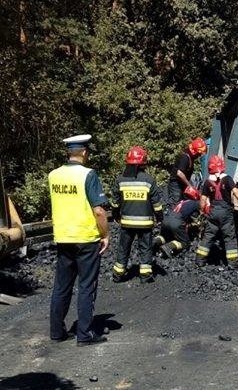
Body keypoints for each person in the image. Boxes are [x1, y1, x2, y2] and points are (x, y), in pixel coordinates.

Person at [48, 134, 109, 346]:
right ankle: (85, 334)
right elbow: (99, 211)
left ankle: (56, 332)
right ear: (84, 152)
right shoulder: (88, 175)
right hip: (86, 238)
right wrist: (106, 235)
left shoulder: (53, 175)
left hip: (63, 238)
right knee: (86, 286)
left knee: (61, 287)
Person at [111, 146, 163, 283]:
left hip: (126, 223)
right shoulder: (149, 180)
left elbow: (115, 203)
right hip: (145, 223)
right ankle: (145, 276)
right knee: (145, 248)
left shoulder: (120, 180)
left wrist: (116, 216)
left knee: (123, 248)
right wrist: (159, 218)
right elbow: (157, 204)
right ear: (143, 163)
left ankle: (118, 274)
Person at [195, 155, 238, 266]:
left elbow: (203, 199)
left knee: (208, 236)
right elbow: (236, 192)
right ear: (222, 166)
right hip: (226, 212)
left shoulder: (207, 182)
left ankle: (200, 260)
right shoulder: (227, 179)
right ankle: (232, 263)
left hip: (213, 212)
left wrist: (202, 211)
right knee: (229, 237)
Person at [154, 189, 201, 257]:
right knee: (185, 243)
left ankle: (154, 242)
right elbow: (195, 217)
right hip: (176, 223)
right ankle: (169, 247)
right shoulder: (195, 203)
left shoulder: (181, 202)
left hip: (165, 220)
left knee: (165, 237)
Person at [166, 137, 207, 208]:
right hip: (176, 184)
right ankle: (172, 217)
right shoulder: (185, 157)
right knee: (175, 204)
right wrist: (189, 185)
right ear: (195, 151)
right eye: (199, 153)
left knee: (184, 202)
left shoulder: (190, 156)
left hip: (181, 185)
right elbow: (180, 173)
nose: (199, 156)